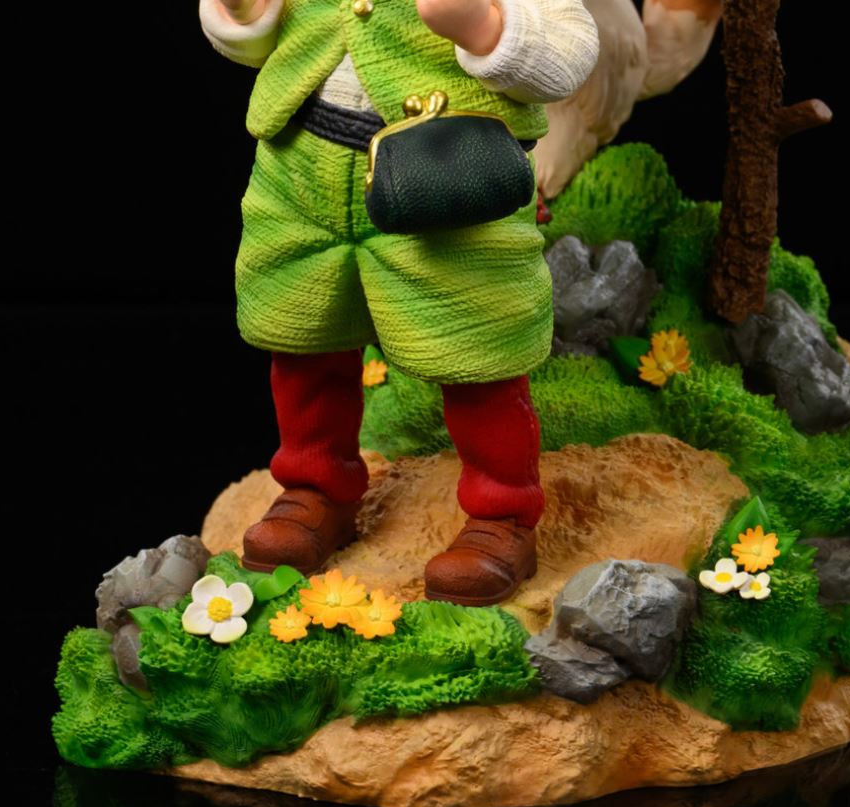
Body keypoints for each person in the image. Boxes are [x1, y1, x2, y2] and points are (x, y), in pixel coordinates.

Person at [200, 0, 599, 605]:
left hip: (448, 171)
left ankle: (502, 516)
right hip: (300, 164)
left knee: (477, 345)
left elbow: (569, 50)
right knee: (302, 335)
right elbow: (257, 45)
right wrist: (242, 13)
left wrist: (484, 27)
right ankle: (316, 487)